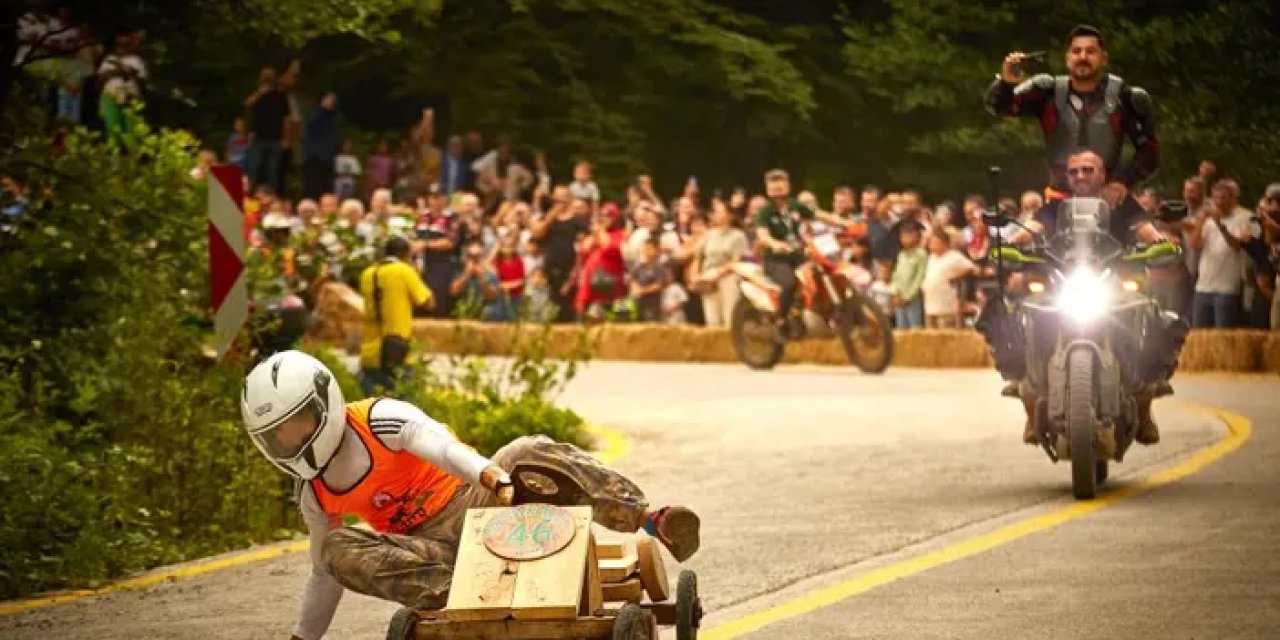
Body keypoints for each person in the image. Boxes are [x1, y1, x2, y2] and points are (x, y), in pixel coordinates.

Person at [240, 350, 701, 640]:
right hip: (433, 555)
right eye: (276, 435)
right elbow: (323, 574)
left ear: (324, 403)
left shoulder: (380, 419)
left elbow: (441, 446)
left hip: (479, 506)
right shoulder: (314, 493)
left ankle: (647, 517)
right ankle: (463, 600)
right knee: (334, 550)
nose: (288, 440)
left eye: (295, 424)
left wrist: (489, 474)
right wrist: (303, 638)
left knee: (523, 451)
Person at [980, 149, 1185, 446]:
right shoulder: (1055, 206)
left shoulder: (1122, 203)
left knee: (1154, 319)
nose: (1080, 176)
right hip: (1063, 282)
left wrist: (1160, 243)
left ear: (1102, 174)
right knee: (1016, 320)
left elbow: (1145, 229)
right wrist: (1011, 244)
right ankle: (1029, 402)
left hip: (1113, 281)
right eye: (1074, 171)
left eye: (1088, 169)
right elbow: (1033, 228)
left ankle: (1144, 404)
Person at [985, 25, 1158, 204]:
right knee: (1031, 224)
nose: (1083, 57)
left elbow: (1149, 151)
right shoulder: (1046, 92)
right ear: (1068, 58)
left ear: (1103, 58)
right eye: (1076, 51)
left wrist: (1123, 182)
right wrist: (1006, 82)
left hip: (1110, 200)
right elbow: (997, 107)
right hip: (1058, 200)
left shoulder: (1126, 98)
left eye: (1090, 51)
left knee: (1145, 223)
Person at [753, 168, 860, 337]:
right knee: (789, 283)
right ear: (767, 188)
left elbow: (819, 214)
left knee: (823, 272)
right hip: (776, 259)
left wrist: (844, 223)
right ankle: (780, 320)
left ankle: (822, 309)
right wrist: (774, 243)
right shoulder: (765, 212)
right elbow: (762, 234)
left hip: (797, 254)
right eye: (773, 182)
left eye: (780, 181)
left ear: (788, 185)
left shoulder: (794, 205)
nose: (777, 186)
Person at [358, 235, 433, 395]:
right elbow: (428, 302)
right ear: (406, 254)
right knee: (404, 405)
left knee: (372, 407)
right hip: (397, 352)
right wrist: (416, 273)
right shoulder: (404, 271)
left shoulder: (366, 274)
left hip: (370, 353)